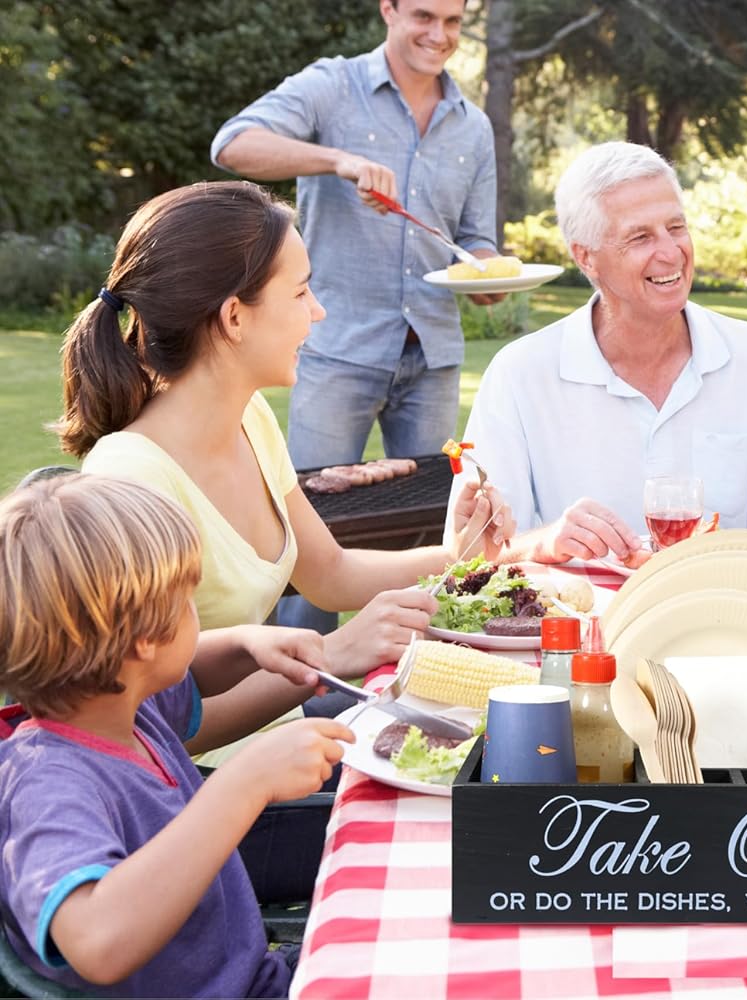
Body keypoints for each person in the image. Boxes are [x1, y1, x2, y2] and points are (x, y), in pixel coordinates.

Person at [55, 181, 512, 760]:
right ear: (234, 317)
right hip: (206, 790)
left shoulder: (249, 419)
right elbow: (153, 728)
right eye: (300, 292)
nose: (317, 311)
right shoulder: (133, 480)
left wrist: (457, 556)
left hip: (284, 746)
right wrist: (332, 656)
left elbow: (331, 574)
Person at [0, 474, 355, 996]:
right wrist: (242, 785)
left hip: (259, 978)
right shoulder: (46, 786)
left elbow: (192, 668)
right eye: (188, 599)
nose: (196, 615)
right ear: (145, 639)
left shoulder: (121, 708)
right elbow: (95, 941)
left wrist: (246, 644)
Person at [212, 0, 502, 632]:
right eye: (424, 16)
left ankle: (415, 672)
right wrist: (337, 160)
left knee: (432, 528)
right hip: (335, 345)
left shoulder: (472, 126)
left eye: (453, 22)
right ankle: (300, 674)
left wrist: (487, 273)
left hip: (432, 353)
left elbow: (477, 238)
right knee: (307, 531)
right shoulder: (331, 86)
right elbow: (232, 145)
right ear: (389, 9)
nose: (440, 35)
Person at [448, 141, 747, 564]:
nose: (670, 252)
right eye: (640, 237)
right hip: (576, 608)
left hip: (729, 605)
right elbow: (473, 553)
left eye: (676, 227)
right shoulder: (519, 375)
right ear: (586, 257)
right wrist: (545, 542)